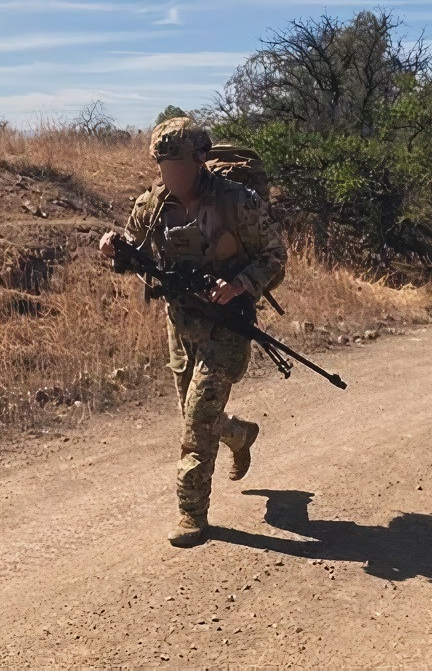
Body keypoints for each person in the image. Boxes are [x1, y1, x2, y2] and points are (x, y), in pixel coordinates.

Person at [99, 117, 286, 548]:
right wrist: (115, 249)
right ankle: (240, 435)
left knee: (197, 424)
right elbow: (135, 251)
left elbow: (275, 255)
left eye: (177, 161)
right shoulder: (153, 205)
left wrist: (239, 284)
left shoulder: (237, 202)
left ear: (200, 159)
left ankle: (191, 514)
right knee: (193, 413)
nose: (168, 171)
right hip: (180, 324)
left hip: (227, 324)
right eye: (162, 162)